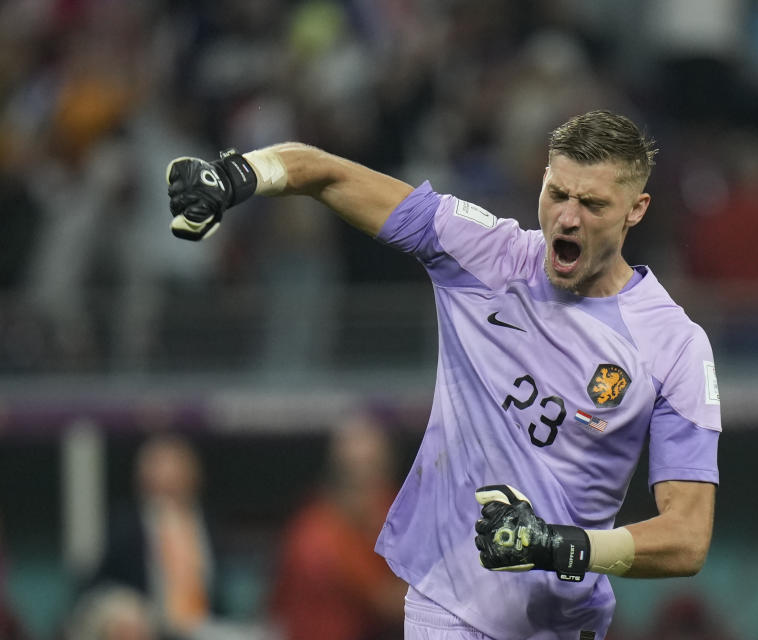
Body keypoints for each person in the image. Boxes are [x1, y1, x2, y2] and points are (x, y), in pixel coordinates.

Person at [165, 109, 721, 639]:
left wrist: (560, 546)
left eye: (593, 204)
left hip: (561, 619)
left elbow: (688, 538)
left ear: (637, 208)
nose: (567, 217)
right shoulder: (485, 254)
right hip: (446, 603)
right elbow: (326, 173)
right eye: (556, 194)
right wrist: (237, 175)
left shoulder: (674, 346)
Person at [268, 415, 406, 640]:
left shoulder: (362, 518)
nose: (375, 487)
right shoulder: (321, 533)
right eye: (360, 475)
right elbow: (390, 603)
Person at [85, 434, 223, 640]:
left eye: (177, 467)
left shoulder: (208, 522)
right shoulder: (124, 526)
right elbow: (98, 586)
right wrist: (123, 614)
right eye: (159, 467)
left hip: (205, 628)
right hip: (144, 626)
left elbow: (218, 594)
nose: (169, 477)